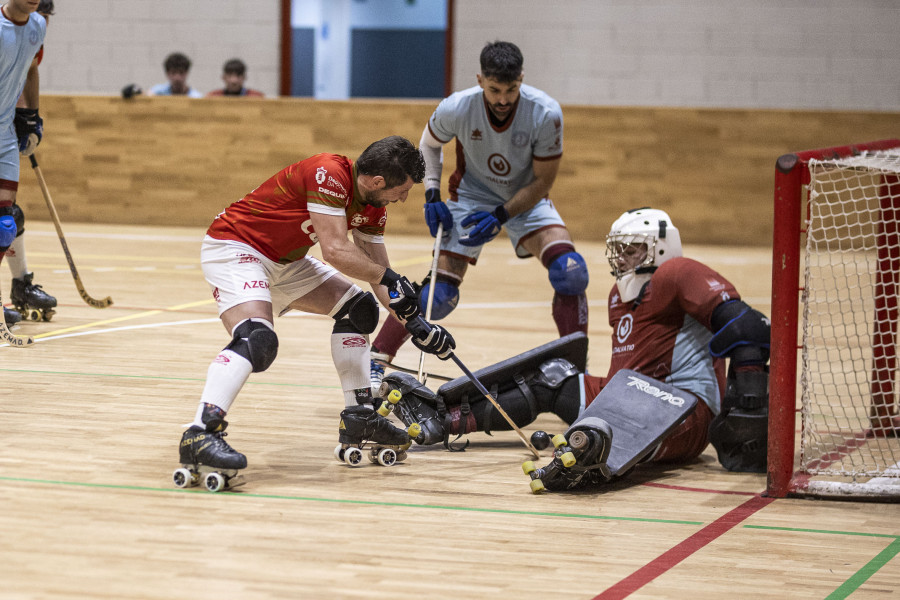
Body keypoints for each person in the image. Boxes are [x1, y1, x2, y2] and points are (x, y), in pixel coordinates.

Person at [380, 208, 771, 491]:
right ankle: (441, 418)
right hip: (626, 396)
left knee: (601, 430)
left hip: (682, 408)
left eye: (632, 250)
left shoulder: (677, 272)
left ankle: (597, 458)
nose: (621, 260)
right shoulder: (619, 296)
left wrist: (749, 405)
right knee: (551, 375)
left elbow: (747, 327)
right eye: (619, 250)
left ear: (661, 250)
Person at [176, 135, 457, 480]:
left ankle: (360, 416)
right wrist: (391, 279)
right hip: (237, 248)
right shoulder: (329, 173)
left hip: (285, 262)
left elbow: (382, 280)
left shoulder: (373, 205)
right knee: (257, 341)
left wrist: (416, 326)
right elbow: (336, 251)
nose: (403, 198)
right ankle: (200, 432)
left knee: (360, 309)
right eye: (402, 190)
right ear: (377, 181)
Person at [368, 40, 589, 393]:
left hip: (525, 198)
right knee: (435, 300)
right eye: (494, 89)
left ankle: (577, 369)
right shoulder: (458, 106)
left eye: (511, 89)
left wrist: (502, 215)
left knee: (571, 273)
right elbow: (428, 144)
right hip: (471, 198)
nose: (503, 99)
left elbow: (544, 180)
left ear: (522, 80)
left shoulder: (546, 112)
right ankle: (377, 357)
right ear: (480, 80)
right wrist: (431, 194)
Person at [1, 0, 56, 326]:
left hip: (5, 134)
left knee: (6, 224)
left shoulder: (37, 27)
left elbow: (29, 70)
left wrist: (30, 117)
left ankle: (19, 287)